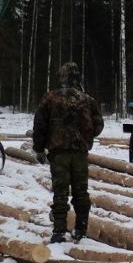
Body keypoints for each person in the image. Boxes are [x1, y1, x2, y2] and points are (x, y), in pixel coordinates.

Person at [33, 61, 105, 243]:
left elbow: (40, 124)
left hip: (59, 154)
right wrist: (85, 137)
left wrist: (39, 148)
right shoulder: (88, 100)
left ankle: (59, 231)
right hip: (80, 154)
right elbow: (99, 125)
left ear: (62, 76)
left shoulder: (50, 98)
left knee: (60, 193)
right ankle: (80, 229)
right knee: (81, 193)